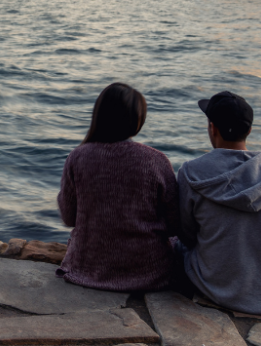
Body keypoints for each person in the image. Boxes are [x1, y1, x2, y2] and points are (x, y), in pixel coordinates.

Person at [177, 91, 261, 316]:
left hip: (217, 287)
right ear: (249, 131)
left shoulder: (190, 173)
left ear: (212, 128)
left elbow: (187, 235)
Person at [57, 83, 180, 291]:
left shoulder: (77, 157)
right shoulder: (156, 160)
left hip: (88, 267)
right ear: (137, 120)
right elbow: (175, 223)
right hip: (150, 272)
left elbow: (69, 218)